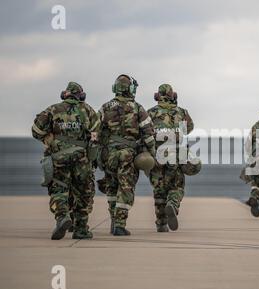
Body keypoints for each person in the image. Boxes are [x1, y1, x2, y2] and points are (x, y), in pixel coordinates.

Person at [32, 82, 99, 240]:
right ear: (81, 95)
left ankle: (62, 217)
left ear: (65, 94)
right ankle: (81, 229)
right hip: (82, 159)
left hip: (59, 157)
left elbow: (36, 130)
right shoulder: (88, 110)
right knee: (84, 192)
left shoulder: (53, 109)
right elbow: (96, 135)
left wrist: (47, 138)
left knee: (59, 189)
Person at [97, 74, 155, 236]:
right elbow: (149, 134)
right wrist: (151, 153)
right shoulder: (137, 108)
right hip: (128, 155)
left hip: (108, 155)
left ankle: (113, 221)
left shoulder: (104, 107)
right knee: (126, 187)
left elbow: (94, 131)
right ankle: (120, 224)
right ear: (130, 89)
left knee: (111, 186)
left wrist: (97, 153)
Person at [147, 84, 196, 232]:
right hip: (176, 154)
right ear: (172, 96)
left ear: (158, 96)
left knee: (159, 189)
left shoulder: (150, 113)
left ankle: (161, 223)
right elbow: (189, 128)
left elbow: (144, 131)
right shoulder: (181, 112)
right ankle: (173, 204)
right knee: (177, 186)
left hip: (157, 154)